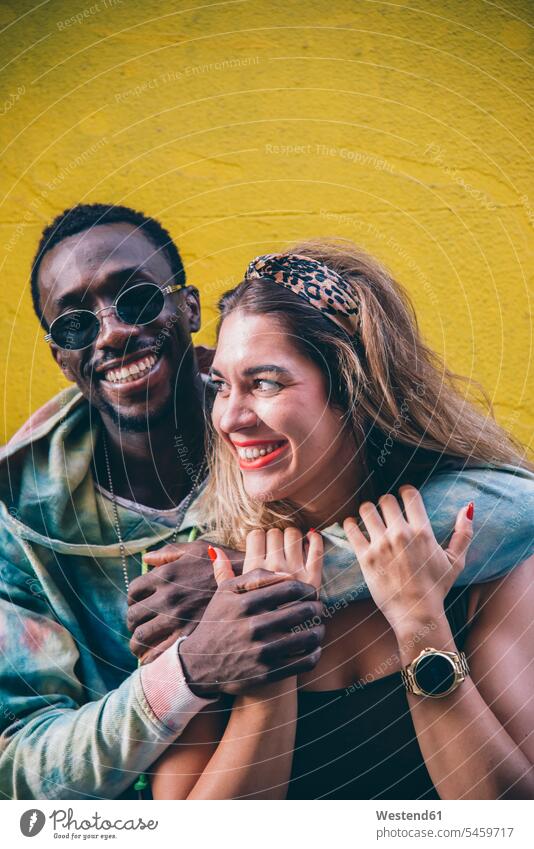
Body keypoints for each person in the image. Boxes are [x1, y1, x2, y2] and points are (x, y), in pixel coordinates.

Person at [137, 242, 534, 799]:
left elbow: (510, 820)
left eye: (266, 383)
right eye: (222, 385)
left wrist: (422, 626)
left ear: (352, 388)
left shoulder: (482, 559)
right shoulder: (205, 583)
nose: (229, 417)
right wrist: (268, 677)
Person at [0, 205, 325, 800]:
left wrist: (244, 579)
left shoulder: (277, 416)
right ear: (60, 357)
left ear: (191, 308)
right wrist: (190, 670)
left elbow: (500, 511)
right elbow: (18, 767)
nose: (113, 332)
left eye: (138, 298)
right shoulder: (18, 509)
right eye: (74, 324)